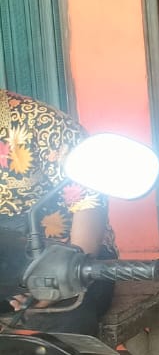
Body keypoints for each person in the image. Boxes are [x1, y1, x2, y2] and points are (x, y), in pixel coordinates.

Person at [0, 90, 118, 335]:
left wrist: (56, 285)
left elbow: (88, 205)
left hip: (71, 258)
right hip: (5, 264)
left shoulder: (43, 122)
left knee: (56, 326)